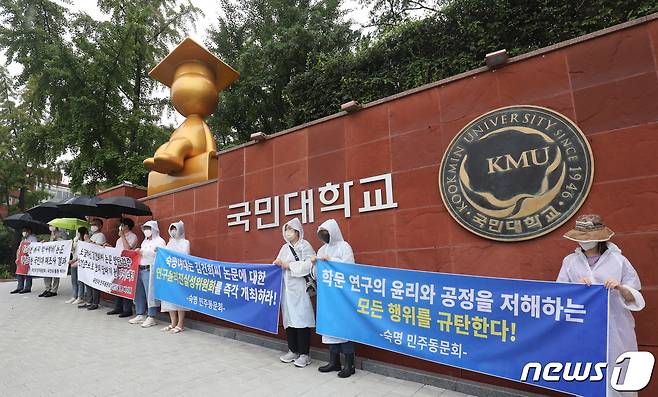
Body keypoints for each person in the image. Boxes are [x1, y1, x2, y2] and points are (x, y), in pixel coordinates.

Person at [557, 214, 645, 397]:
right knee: (587, 370)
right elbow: (559, 294)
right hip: (583, 328)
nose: (584, 242)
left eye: (588, 238)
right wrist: (577, 289)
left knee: (619, 369)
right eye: (581, 238)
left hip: (616, 326)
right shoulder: (570, 262)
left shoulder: (619, 261)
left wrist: (620, 287)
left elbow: (634, 295)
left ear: (599, 238)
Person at [311, 219, 357, 378]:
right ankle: (334, 361)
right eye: (321, 234)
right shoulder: (321, 249)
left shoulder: (344, 247)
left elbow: (350, 267)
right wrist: (315, 264)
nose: (323, 236)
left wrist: (331, 261)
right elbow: (316, 275)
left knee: (344, 328)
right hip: (327, 297)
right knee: (330, 328)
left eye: (326, 233)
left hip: (342, 296)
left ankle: (349, 364)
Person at [273, 218, 316, 367]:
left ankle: (305, 354)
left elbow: (310, 263)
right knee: (289, 320)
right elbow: (278, 261)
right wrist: (277, 263)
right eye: (286, 229)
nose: (288, 232)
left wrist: (290, 266)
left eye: (291, 229)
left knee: (301, 320)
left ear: (297, 230)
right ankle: (293, 350)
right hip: (287, 290)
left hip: (300, 289)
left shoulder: (305, 245)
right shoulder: (284, 248)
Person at [129, 220, 165, 328]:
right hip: (140, 268)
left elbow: (160, 255)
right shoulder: (144, 242)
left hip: (151, 270)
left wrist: (144, 252)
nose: (146, 231)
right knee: (139, 293)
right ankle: (140, 314)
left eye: (148, 228)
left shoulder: (160, 241)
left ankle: (151, 316)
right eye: (144, 229)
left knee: (150, 294)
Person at [160, 221, 191, 333]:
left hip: (180, 275)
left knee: (179, 299)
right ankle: (173, 322)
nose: (173, 231)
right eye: (172, 229)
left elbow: (184, 255)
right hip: (168, 275)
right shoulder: (170, 243)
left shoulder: (185, 242)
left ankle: (180, 324)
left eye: (175, 229)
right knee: (169, 298)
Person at [106, 218, 138, 318]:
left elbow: (127, 249)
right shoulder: (119, 239)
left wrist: (123, 237)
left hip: (128, 266)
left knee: (125, 287)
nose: (120, 227)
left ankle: (127, 310)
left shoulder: (133, 236)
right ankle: (118, 307)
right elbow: (118, 251)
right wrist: (109, 247)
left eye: (121, 225)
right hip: (118, 265)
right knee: (117, 286)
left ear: (126, 226)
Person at [78, 218, 106, 310]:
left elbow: (98, 248)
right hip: (88, 263)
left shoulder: (101, 235)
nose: (93, 226)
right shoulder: (92, 235)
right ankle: (88, 301)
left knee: (94, 284)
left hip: (96, 263)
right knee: (88, 283)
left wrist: (89, 241)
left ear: (101, 226)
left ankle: (95, 303)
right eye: (92, 224)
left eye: (95, 224)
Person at [10, 226, 38, 294]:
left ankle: (27, 288)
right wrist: (17, 258)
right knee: (19, 273)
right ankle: (19, 287)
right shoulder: (23, 239)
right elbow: (19, 249)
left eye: (25, 231)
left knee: (27, 273)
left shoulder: (33, 238)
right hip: (21, 259)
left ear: (29, 231)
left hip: (28, 258)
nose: (24, 232)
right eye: (23, 231)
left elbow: (35, 248)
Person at [66, 226, 88, 304]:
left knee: (80, 281)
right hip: (74, 262)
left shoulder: (85, 241)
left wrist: (74, 260)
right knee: (74, 280)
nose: (78, 233)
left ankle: (80, 296)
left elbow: (84, 253)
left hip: (80, 263)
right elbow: (72, 249)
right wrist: (73, 242)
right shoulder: (76, 240)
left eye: (79, 232)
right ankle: (74, 296)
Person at [40, 226, 64, 297]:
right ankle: (47, 288)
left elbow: (65, 243)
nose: (50, 226)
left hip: (57, 257)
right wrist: (46, 242)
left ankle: (54, 290)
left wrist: (57, 238)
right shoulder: (51, 233)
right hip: (50, 256)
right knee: (47, 272)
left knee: (55, 274)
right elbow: (51, 243)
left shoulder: (61, 233)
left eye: (52, 225)